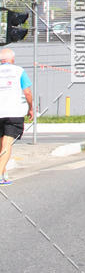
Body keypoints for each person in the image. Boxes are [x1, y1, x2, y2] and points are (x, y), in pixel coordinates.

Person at [0, 48, 34, 185]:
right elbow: (27, 93)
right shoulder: (19, 71)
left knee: (1, 144)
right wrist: (30, 108)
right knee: (7, 145)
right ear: (12, 60)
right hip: (13, 113)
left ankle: (3, 173)